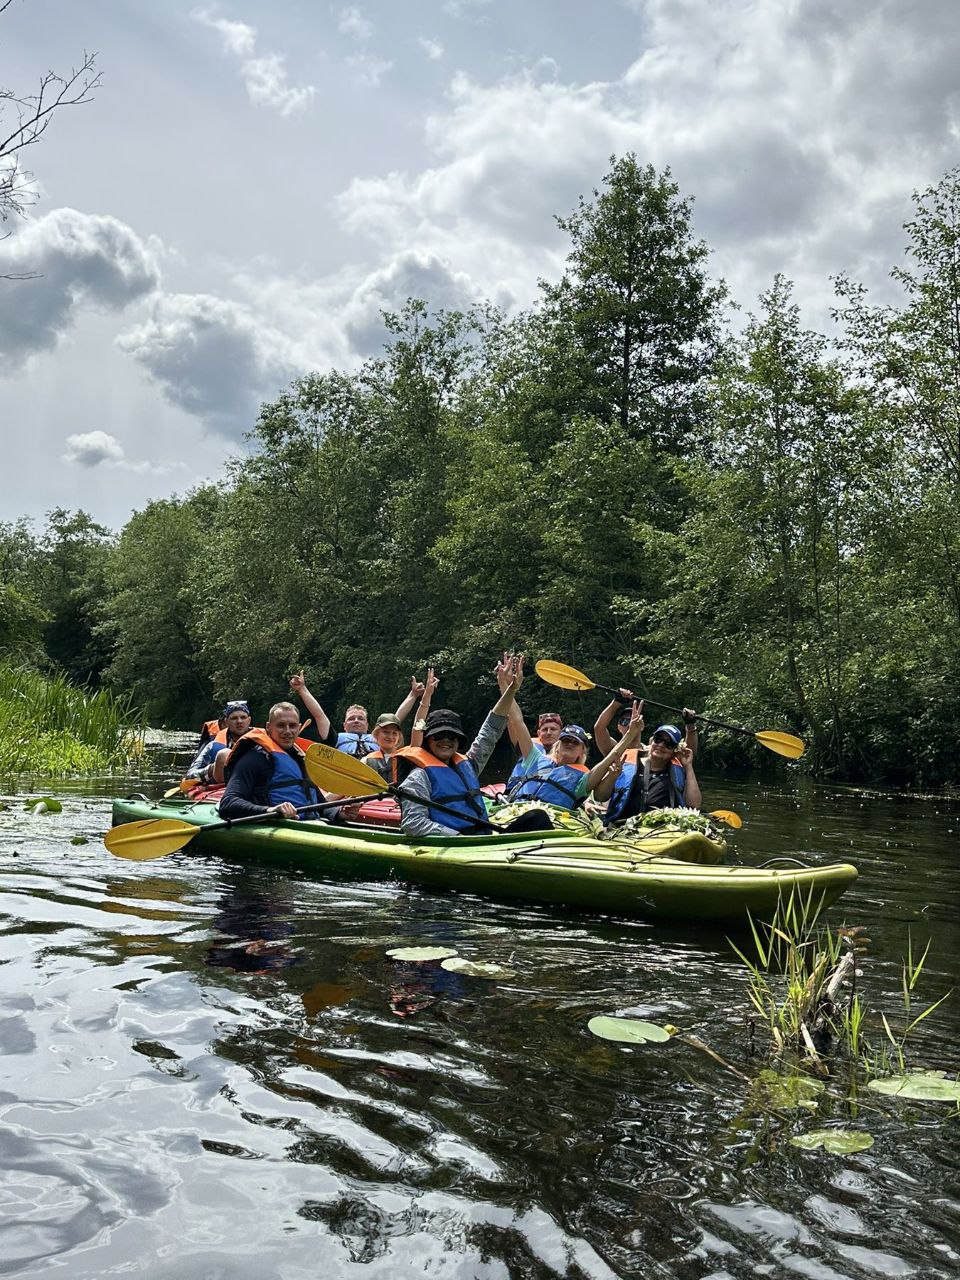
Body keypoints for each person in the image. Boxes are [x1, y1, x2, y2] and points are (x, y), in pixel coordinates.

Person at [393, 654, 526, 837]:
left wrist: (511, 690)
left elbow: (490, 731)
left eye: (452, 736)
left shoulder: (469, 765)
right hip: (456, 844)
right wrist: (458, 838)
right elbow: (413, 824)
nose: (446, 740)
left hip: (482, 838)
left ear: (459, 740)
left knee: (536, 817)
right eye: (438, 735)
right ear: (428, 740)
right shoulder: (418, 777)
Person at [592, 708, 702, 824]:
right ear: (651, 741)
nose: (661, 745)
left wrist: (688, 766)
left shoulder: (678, 766)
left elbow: (694, 806)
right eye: (658, 739)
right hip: (622, 826)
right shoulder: (623, 760)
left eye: (668, 744)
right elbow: (600, 796)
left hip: (662, 829)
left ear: (675, 751)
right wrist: (612, 776)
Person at [219, 701, 320, 821]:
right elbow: (228, 803)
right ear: (268, 727)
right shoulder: (255, 758)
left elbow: (321, 804)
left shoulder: (302, 759)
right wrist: (269, 810)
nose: (287, 731)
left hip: (313, 824)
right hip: (277, 826)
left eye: (292, 726)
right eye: (281, 725)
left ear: (299, 728)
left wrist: (339, 813)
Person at [364, 668, 438, 784]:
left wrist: (427, 695)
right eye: (386, 732)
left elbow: (418, 724)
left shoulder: (406, 755)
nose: (390, 736)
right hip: (374, 801)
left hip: (400, 801)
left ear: (399, 737)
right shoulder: (367, 760)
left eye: (394, 733)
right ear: (376, 734)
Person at [334, 676, 427, 757]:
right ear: (344, 725)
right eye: (351, 718)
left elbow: (396, 718)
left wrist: (413, 695)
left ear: (367, 725)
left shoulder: (378, 738)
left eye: (361, 718)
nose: (356, 721)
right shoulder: (335, 738)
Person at [594, 688, 699, 759]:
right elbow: (599, 728)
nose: (630, 723)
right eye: (625, 721)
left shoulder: (653, 750)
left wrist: (690, 725)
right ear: (619, 727)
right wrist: (617, 702)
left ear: (642, 725)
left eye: (635, 719)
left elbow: (688, 754)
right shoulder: (613, 749)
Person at [184, 700, 252, 786]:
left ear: (249, 720)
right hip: (218, 791)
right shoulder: (212, 746)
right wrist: (212, 769)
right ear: (226, 722)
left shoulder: (260, 745)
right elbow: (188, 777)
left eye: (243, 717)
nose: (239, 721)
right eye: (234, 718)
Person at [505, 711, 563, 790]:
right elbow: (513, 723)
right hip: (514, 792)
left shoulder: (567, 755)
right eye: (545, 729)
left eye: (553, 729)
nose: (549, 733)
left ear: (561, 733)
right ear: (539, 733)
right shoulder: (527, 747)